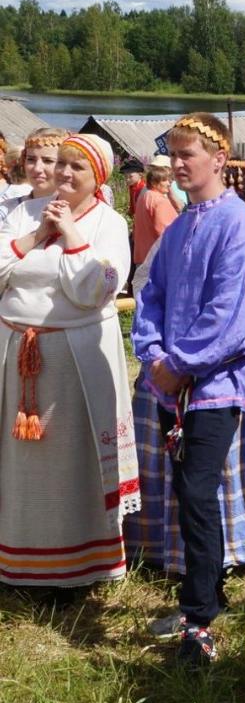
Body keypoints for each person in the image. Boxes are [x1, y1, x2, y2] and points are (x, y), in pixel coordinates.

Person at [132, 112, 245, 665]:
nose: (178, 163)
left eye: (188, 153)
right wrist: (152, 353)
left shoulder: (239, 225)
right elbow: (152, 294)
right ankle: (206, 593)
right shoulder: (181, 226)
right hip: (177, 381)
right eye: (173, 153)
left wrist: (184, 363)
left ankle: (199, 621)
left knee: (196, 491)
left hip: (217, 384)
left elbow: (233, 315)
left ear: (219, 159)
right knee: (186, 491)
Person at [0, 133, 137, 588]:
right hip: (14, 351)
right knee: (18, 462)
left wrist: (72, 235)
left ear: (97, 175)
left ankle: (75, 569)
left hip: (75, 358)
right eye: (61, 164)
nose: (62, 174)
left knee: (71, 459)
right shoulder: (23, 211)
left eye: (76, 167)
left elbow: (95, 290)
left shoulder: (110, 223)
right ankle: (15, 561)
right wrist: (39, 234)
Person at [132, 162, 178, 267]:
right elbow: (167, 232)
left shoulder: (144, 196)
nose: (169, 183)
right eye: (164, 180)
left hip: (142, 256)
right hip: (157, 260)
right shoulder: (160, 200)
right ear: (154, 182)